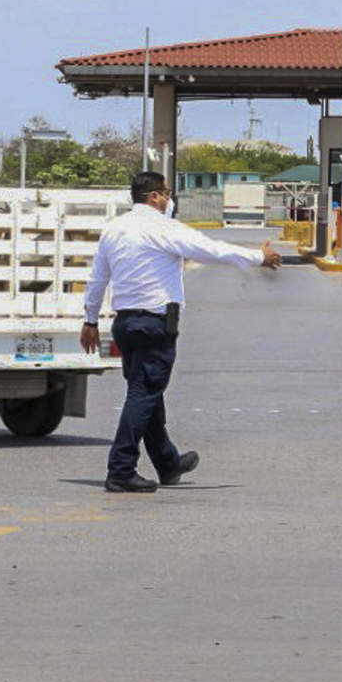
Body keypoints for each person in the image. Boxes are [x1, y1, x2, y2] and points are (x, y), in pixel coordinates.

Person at [79, 170, 283, 492]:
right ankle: (120, 470)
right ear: (155, 197)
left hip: (125, 326)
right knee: (143, 393)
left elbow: (97, 280)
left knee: (148, 395)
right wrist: (258, 257)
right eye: (167, 193)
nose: (170, 199)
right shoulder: (164, 228)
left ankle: (167, 463)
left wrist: (90, 320)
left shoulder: (114, 230)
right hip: (154, 325)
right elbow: (210, 249)